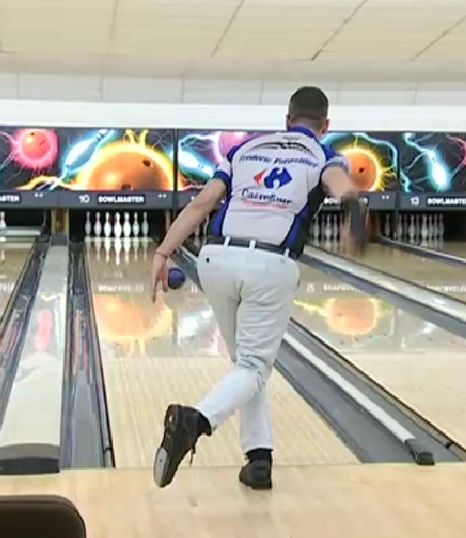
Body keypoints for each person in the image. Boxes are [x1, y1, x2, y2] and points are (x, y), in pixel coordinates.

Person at [149, 85, 363, 490]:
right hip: (270, 265)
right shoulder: (323, 155)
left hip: (214, 260)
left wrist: (164, 251)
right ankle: (195, 421)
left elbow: (202, 203)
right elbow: (339, 185)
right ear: (326, 124)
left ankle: (258, 460)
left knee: (246, 366)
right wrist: (352, 204)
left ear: (287, 119)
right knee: (252, 367)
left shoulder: (244, 151)